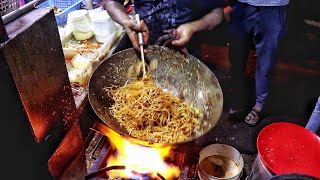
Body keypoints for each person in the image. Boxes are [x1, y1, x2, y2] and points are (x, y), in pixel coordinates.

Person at [228, 0, 289, 126]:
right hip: (242, 4)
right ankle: (239, 95)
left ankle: (259, 105)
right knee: (236, 55)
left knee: (266, 60)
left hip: (273, 6)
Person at [104, 0, 224, 58]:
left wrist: (192, 27)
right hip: (145, 46)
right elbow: (111, 2)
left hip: (188, 47)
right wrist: (126, 21)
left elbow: (217, 13)